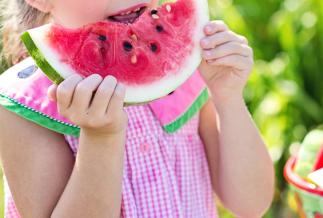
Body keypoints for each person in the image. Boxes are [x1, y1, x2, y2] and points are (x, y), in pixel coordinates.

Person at [0, 0, 275, 217]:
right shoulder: (24, 106)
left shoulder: (187, 69)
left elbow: (251, 204)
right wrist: (101, 139)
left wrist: (229, 99)